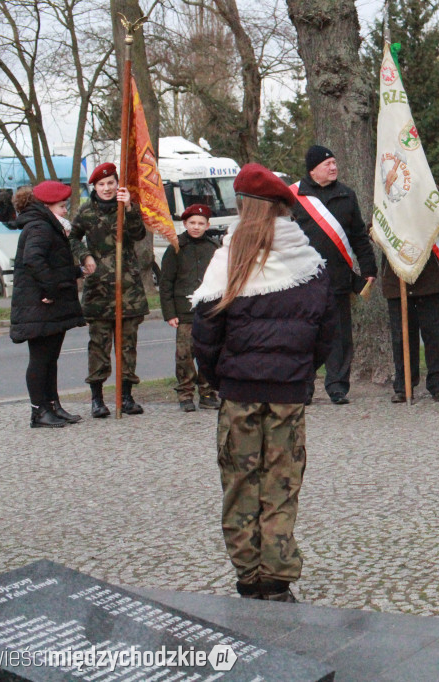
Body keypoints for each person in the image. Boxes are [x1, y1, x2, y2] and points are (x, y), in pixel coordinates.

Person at [192, 163, 337, 603]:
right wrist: (300, 371)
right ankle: (276, 580)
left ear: (243, 207)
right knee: (281, 487)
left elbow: (206, 333)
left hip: (239, 391)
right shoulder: (308, 260)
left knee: (240, 485)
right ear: (281, 208)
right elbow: (326, 332)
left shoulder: (229, 258)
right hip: (288, 391)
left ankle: (248, 577)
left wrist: (218, 377)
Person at [291, 145, 377, 405]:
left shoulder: (346, 195)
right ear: (313, 169)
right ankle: (303, 387)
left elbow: (359, 236)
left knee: (339, 336)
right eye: (328, 163)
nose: (333, 167)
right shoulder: (293, 197)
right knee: (306, 336)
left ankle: (338, 386)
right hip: (304, 280)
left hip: (339, 279)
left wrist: (369, 268)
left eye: (334, 162)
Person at [69, 162, 148, 418]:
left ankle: (125, 396)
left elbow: (138, 234)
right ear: (94, 187)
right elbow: (73, 237)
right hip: (99, 290)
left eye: (111, 183)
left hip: (127, 289)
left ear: (117, 184)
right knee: (99, 346)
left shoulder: (125, 207)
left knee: (127, 346)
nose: (106, 188)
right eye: (102, 184)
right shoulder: (86, 212)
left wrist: (131, 208)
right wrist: (84, 255)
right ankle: (97, 399)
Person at [9, 182, 87, 428]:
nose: (65, 211)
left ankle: (52, 405)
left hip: (47, 305)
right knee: (41, 359)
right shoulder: (40, 227)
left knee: (50, 358)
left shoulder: (47, 226)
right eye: (62, 206)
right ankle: (39, 411)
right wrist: (50, 289)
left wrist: (76, 271)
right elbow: (33, 260)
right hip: (39, 304)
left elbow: (52, 264)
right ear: (46, 206)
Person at [159, 203, 221, 412]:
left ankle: (207, 392)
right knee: (184, 355)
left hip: (208, 310)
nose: (196, 227)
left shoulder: (213, 248)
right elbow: (166, 282)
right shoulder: (176, 247)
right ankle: (185, 394)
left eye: (201, 223)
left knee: (208, 353)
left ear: (207, 225)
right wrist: (170, 313)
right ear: (185, 223)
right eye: (192, 223)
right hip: (184, 312)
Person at [380, 255, 439, 403]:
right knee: (401, 338)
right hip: (396, 277)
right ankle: (403, 384)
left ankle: (438, 383)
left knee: (435, 335)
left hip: (428, 276)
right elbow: (373, 232)